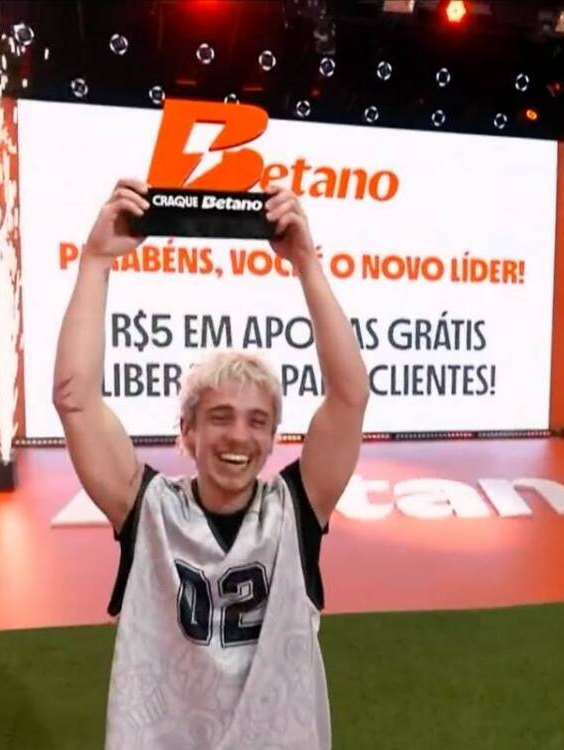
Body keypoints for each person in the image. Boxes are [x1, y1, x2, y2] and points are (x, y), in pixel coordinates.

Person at [53, 178, 369, 749]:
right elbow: (75, 400)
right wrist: (95, 261)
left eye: (256, 420)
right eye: (220, 417)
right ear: (188, 431)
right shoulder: (148, 509)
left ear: (272, 438)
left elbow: (350, 397)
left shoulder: (294, 511)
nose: (238, 435)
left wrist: (306, 264)